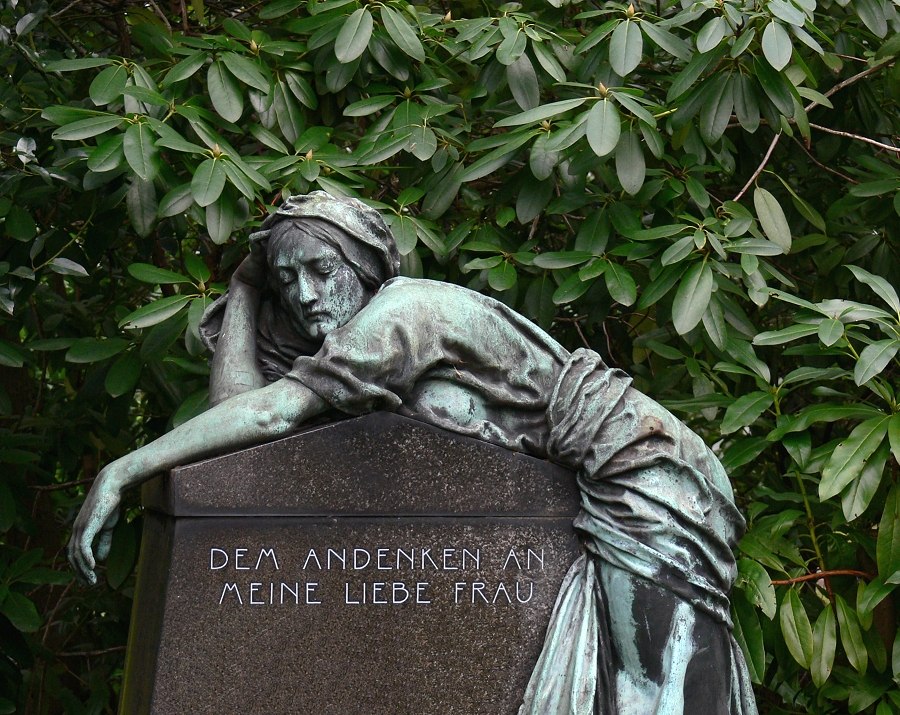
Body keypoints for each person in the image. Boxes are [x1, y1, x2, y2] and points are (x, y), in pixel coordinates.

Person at [68, 191, 757, 714]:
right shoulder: (352, 344)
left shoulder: (404, 314)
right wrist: (247, 288)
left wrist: (123, 470)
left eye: (321, 269)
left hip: (644, 470)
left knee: (655, 688)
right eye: (287, 279)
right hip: (610, 477)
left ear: (363, 266)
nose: (305, 295)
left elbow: (274, 412)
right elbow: (234, 422)